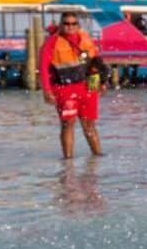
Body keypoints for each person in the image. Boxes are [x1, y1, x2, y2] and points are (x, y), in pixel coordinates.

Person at [39, 11, 104, 159]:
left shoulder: (85, 39)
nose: (70, 27)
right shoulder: (51, 42)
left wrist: (98, 85)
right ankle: (68, 162)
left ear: (78, 25)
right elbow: (43, 68)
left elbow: (94, 64)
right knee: (68, 124)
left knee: (89, 125)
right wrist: (47, 91)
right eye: (66, 23)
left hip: (87, 87)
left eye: (73, 23)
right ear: (61, 25)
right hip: (64, 89)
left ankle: (97, 158)